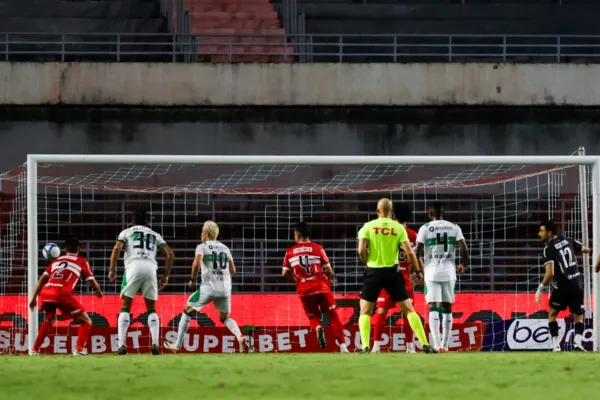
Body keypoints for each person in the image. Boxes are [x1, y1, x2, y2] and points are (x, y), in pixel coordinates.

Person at [357, 198, 433, 354]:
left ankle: (366, 346)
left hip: (373, 272)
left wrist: (367, 262)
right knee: (409, 310)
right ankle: (424, 344)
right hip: (394, 272)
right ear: (391, 212)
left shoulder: (368, 226)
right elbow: (411, 253)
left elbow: (360, 251)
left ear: (377, 211)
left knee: (366, 311)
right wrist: (418, 271)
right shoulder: (399, 228)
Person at [164, 220, 251, 353]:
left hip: (209, 287)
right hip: (225, 288)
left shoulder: (202, 246)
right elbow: (233, 271)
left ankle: (177, 345)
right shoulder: (225, 248)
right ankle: (239, 337)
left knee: (187, 310)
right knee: (225, 317)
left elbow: (196, 264)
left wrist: (192, 279)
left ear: (207, 233)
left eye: (202, 231)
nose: (201, 234)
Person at [109, 208, 174, 355]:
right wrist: (166, 276)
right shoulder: (155, 235)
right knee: (151, 308)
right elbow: (170, 254)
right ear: (147, 221)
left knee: (126, 306)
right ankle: (156, 344)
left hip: (133, 267)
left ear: (132, 220)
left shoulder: (127, 232)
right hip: (151, 268)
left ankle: (121, 345)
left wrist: (112, 269)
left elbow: (117, 248)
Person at [282, 222, 349, 353]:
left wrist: (296, 279)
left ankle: (318, 327)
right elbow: (328, 269)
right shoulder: (318, 248)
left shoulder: (290, 252)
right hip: (321, 286)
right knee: (333, 317)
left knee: (313, 318)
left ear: (298, 235)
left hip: (304, 289)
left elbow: (284, 273)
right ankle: (343, 347)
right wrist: (330, 279)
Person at [29, 237, 103, 356]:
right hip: (61, 293)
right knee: (86, 320)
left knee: (49, 320)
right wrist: (98, 291)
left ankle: (34, 350)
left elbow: (42, 280)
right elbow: (91, 279)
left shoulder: (56, 261)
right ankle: (79, 350)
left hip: (46, 292)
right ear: (79, 248)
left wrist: (33, 298)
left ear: (64, 249)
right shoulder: (81, 261)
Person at [415, 202, 468, 353]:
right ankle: (445, 346)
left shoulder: (425, 228)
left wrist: (417, 270)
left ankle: (437, 346)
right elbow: (464, 247)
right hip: (449, 272)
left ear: (429, 213)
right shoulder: (454, 227)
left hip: (431, 273)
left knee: (433, 307)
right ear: (443, 213)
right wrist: (463, 264)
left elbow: (417, 251)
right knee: (447, 308)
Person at [371, 204, 421, 354]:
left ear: (394, 215)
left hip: (387, 274)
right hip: (405, 276)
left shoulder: (389, 231)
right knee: (408, 312)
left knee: (381, 310)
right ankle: (410, 347)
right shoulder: (413, 234)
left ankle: (376, 347)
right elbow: (416, 256)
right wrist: (418, 271)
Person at [536, 220, 590, 352]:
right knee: (578, 315)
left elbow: (549, 274)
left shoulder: (548, 249)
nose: (539, 234)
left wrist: (540, 289)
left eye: (541, 231)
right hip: (576, 284)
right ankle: (577, 344)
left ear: (549, 232)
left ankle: (556, 346)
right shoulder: (569, 240)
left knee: (552, 314)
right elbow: (586, 249)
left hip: (561, 286)